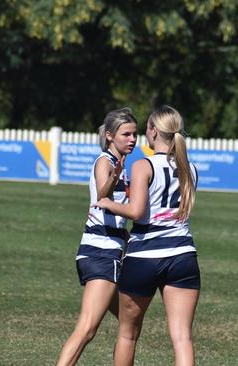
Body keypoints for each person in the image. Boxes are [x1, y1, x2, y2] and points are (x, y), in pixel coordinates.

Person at [94, 105, 200, 366]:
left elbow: (136, 211)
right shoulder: (190, 167)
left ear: (153, 131)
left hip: (145, 256)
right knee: (182, 339)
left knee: (128, 335)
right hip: (183, 255)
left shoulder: (143, 165)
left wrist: (106, 202)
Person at [56, 108, 138, 366]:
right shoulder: (106, 162)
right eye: (126, 134)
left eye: (135, 134)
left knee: (130, 322)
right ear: (111, 136)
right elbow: (103, 196)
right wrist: (113, 179)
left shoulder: (120, 164)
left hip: (106, 250)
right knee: (87, 329)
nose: (133, 139)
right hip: (101, 252)